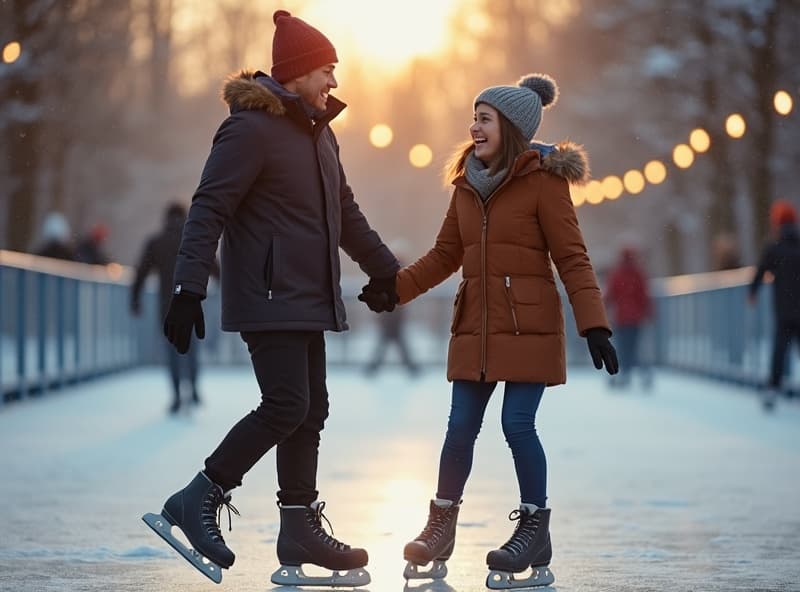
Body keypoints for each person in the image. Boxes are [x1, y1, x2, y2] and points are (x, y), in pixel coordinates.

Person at [142, 10, 398, 587]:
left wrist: (387, 273)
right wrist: (188, 288)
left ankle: (298, 527)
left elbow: (346, 214)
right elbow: (209, 206)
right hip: (270, 293)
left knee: (311, 409)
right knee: (286, 404)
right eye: (328, 69)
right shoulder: (249, 128)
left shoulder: (321, 133)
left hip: (309, 296)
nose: (334, 82)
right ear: (300, 71)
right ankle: (197, 498)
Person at [360, 74, 618, 589]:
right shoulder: (464, 184)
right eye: (473, 117)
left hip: (528, 325)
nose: (473, 126)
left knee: (518, 424)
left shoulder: (544, 182)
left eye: (485, 118)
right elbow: (444, 255)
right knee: (459, 429)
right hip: (476, 325)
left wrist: (594, 324)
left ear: (512, 129)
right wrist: (396, 288)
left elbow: (571, 255)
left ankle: (533, 529)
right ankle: (440, 526)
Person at [130, 202, 217, 414]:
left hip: (167, 307)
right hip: (192, 304)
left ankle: (177, 395)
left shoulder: (156, 242)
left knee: (172, 351)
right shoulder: (193, 241)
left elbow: (141, 273)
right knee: (192, 350)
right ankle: (194, 388)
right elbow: (215, 268)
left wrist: (135, 300)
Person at [748, 200, 800, 410]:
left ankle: (772, 389)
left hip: (784, 309)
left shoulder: (774, 247)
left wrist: (752, 293)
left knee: (779, 350)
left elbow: (761, 271)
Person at [604, 245, 653, 389]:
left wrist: (602, 310)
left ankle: (622, 373)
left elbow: (609, 294)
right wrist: (648, 312)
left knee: (622, 346)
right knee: (636, 346)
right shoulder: (638, 273)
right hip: (636, 318)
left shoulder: (616, 274)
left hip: (620, 318)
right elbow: (644, 295)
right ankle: (642, 373)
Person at [364, 255, 420, 377]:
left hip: (391, 320)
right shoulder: (399, 278)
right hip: (392, 321)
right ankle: (412, 369)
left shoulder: (389, 277)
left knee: (386, 347)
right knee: (395, 347)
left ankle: (372, 369)